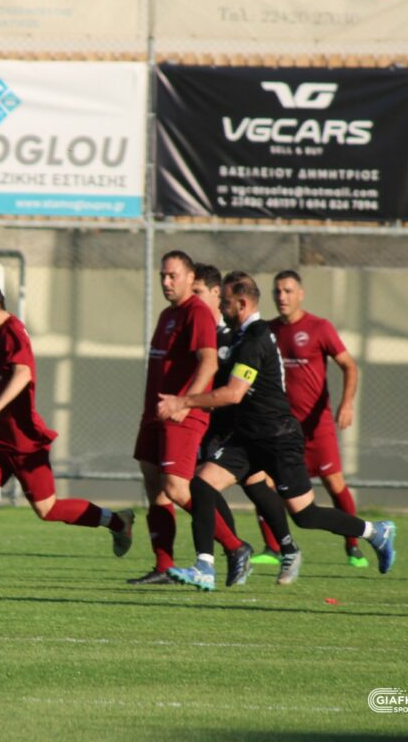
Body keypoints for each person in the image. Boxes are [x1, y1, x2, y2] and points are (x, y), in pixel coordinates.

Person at [156, 272, 395, 591]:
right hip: (247, 438)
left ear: (242, 304)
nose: (221, 306)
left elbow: (234, 394)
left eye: (225, 301)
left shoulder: (254, 338)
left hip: (277, 437)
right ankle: (204, 567)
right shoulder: (242, 335)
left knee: (305, 515)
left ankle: (375, 532)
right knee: (201, 484)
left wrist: (184, 401)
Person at [0, 276, 133, 589]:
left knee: (48, 510)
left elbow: (23, 373)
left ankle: (118, 521)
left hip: (24, 440)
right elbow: (2, 370)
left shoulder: (13, 331)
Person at [129, 251, 247, 585]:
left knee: (177, 489)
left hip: (181, 414)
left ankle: (235, 546)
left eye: (173, 276)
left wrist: (186, 402)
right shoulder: (168, 314)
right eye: (163, 276)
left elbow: (208, 363)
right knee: (154, 485)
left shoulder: (197, 312)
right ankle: (163, 566)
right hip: (156, 412)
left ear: (190, 277)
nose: (166, 282)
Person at [249, 270, 366, 568]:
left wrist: (347, 403)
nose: (282, 296)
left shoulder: (319, 327)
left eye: (288, 291)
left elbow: (349, 366)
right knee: (263, 483)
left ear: (301, 294)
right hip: (280, 429)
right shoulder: (268, 331)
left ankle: (353, 545)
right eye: (277, 291)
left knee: (334, 483)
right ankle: (273, 547)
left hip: (316, 427)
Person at [192, 264, 300, 586]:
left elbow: (238, 386)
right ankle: (268, 548)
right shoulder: (203, 328)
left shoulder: (237, 333)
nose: (193, 299)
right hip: (218, 421)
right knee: (238, 485)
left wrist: (186, 402)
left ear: (216, 294)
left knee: (218, 484)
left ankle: (240, 550)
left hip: (238, 423)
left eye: (198, 293)